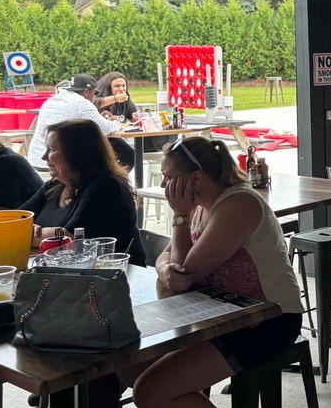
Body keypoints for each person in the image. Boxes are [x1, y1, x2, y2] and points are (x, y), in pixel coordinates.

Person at [120, 136, 303, 408]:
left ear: (195, 178)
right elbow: (167, 257)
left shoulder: (238, 204)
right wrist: (164, 269)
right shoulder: (201, 207)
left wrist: (179, 216)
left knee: (149, 393)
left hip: (267, 321)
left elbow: (185, 274)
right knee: (129, 366)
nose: (163, 185)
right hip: (218, 314)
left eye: (169, 177)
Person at [20, 119, 146, 265]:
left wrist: (26, 231)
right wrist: (28, 229)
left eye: (52, 150)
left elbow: (70, 238)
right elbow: (14, 221)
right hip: (68, 270)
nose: (44, 157)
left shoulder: (105, 187)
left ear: (77, 154)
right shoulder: (55, 186)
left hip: (114, 272)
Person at [27, 74, 134, 172]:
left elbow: (73, 120)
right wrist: (116, 120)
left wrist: (100, 118)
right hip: (58, 163)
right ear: (86, 91)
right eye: (94, 93)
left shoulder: (51, 100)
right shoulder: (82, 103)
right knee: (103, 155)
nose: (94, 97)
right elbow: (106, 129)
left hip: (36, 159)